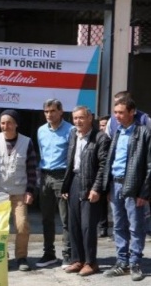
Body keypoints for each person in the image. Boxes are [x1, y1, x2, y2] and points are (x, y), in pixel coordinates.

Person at [102, 96, 151, 281]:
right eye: (115, 113)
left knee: (136, 227)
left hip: (134, 187)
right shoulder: (118, 132)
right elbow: (111, 160)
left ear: (132, 112)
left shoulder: (144, 133)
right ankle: (122, 262)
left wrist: (145, 192)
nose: (117, 116)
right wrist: (107, 187)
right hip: (116, 184)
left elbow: (149, 165)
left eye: (121, 112)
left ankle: (135, 263)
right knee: (119, 226)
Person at [60, 106, 109, 277]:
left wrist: (96, 188)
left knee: (87, 226)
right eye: (75, 118)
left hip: (90, 184)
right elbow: (70, 160)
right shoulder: (74, 134)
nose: (78, 121)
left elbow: (103, 166)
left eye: (81, 118)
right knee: (73, 224)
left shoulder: (101, 138)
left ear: (90, 118)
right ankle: (77, 260)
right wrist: (66, 187)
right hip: (74, 181)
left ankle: (91, 262)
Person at [0, 109, 37, 272]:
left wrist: (30, 191)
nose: (5, 126)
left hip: (19, 192)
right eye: (2, 123)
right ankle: (2, 256)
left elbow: (31, 169)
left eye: (9, 122)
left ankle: (21, 257)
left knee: (22, 225)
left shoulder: (27, 142)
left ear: (16, 124)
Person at [36, 99, 72, 269]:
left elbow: (72, 158)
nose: (49, 115)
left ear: (61, 111)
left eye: (52, 111)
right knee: (46, 218)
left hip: (62, 176)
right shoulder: (41, 130)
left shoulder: (70, 130)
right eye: (46, 112)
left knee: (66, 218)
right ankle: (48, 253)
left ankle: (68, 254)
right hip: (45, 176)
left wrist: (68, 181)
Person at [97, 114, 111, 238]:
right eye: (101, 125)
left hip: (113, 174)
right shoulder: (98, 138)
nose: (102, 128)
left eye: (104, 125)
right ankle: (103, 227)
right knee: (101, 202)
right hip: (102, 173)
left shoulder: (114, 137)